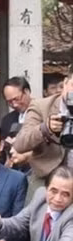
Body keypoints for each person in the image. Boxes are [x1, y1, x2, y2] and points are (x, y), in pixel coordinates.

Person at [13, 71, 73, 199]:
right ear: (65, 83)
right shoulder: (42, 106)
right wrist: (45, 129)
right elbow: (20, 144)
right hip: (46, 177)